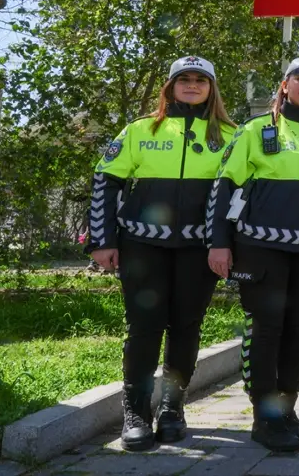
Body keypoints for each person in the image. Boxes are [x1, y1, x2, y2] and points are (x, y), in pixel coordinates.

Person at [206, 56, 299, 452]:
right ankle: (264, 417)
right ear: (285, 85)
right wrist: (219, 242)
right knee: (266, 328)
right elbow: (224, 185)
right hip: (261, 247)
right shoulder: (255, 130)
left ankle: (287, 407)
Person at [88, 56, 235, 451]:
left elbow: (241, 195)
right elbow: (106, 181)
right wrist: (103, 240)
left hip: (197, 248)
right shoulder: (140, 130)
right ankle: (136, 413)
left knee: (186, 327)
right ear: (169, 87)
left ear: (211, 88)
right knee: (144, 328)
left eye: (200, 80)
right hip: (141, 246)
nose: (191, 85)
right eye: (183, 79)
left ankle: (172, 409)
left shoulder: (230, 135)